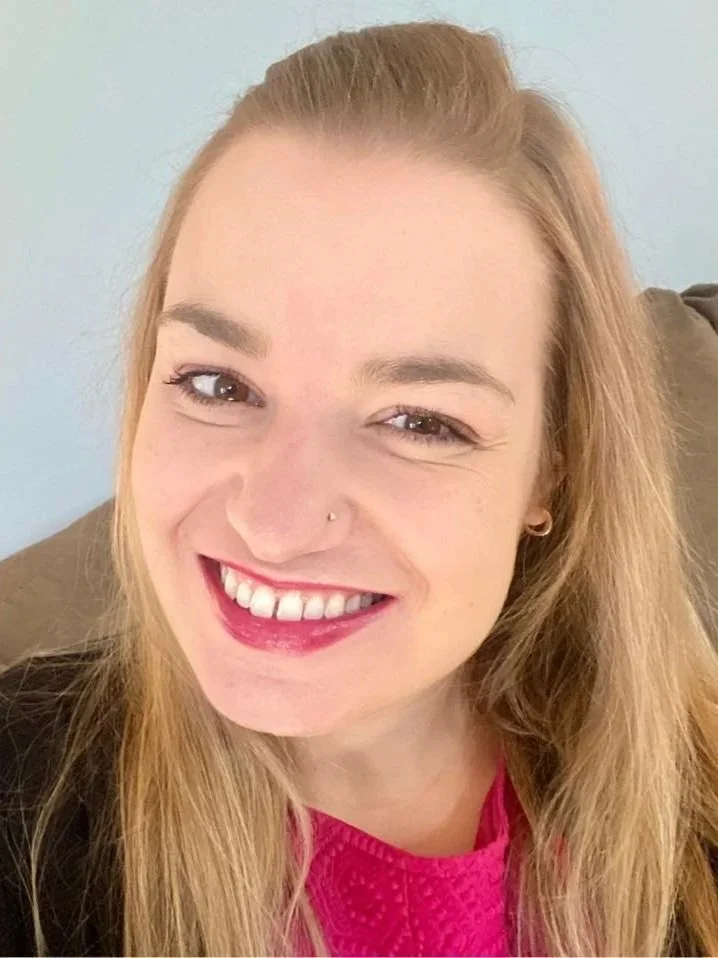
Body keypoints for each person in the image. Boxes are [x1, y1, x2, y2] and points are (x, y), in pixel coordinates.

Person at [1, 18, 717, 957]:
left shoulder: (692, 806)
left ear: (556, 464)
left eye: (418, 420)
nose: (276, 522)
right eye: (217, 384)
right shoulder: (21, 800)